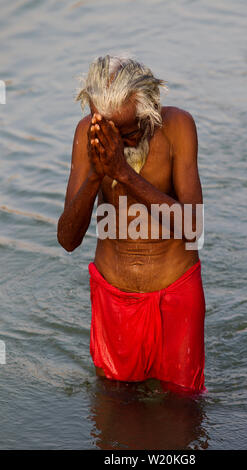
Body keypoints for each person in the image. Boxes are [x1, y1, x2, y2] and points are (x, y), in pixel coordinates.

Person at [57, 54, 206, 394]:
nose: (119, 142)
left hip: (176, 293)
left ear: (149, 108)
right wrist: (97, 172)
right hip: (114, 297)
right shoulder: (87, 134)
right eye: (108, 129)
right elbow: (67, 239)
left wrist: (122, 173)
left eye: (128, 130)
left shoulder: (178, 127)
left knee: (182, 406)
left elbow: (193, 226)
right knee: (113, 406)